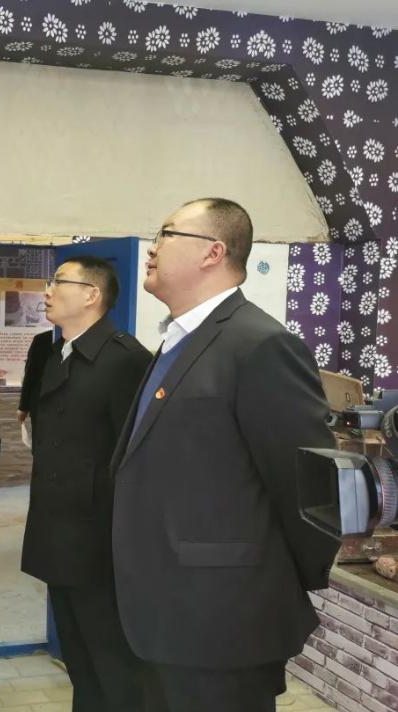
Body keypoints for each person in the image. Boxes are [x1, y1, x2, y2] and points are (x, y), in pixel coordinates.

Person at [111, 198, 340, 712]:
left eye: (167, 233)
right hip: (165, 613)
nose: (152, 248)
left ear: (213, 252)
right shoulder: (178, 341)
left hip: (223, 620)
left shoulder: (259, 344)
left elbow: (308, 487)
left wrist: (272, 580)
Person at [20, 257, 152, 712]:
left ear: (92, 295)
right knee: (79, 660)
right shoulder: (56, 351)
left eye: (59, 282)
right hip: (60, 534)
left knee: (113, 665)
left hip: (100, 543)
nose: (48, 291)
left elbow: (136, 462)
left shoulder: (126, 359)